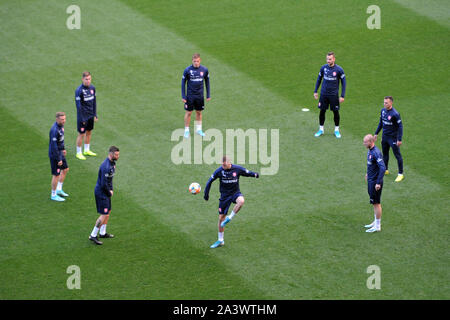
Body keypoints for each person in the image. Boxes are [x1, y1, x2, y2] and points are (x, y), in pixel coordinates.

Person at [204, 156, 259, 248]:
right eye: (222, 164)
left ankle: (230, 217)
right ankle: (220, 240)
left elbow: (247, 173)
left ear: (230, 163)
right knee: (221, 218)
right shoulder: (219, 171)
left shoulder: (237, 169)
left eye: (224, 165)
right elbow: (210, 181)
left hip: (235, 193)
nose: (223, 166)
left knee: (241, 201)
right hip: (224, 196)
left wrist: (255, 175)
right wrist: (206, 194)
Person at [89, 146, 120, 245]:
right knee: (104, 214)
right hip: (101, 192)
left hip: (106, 191)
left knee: (108, 211)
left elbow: (109, 180)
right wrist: (109, 192)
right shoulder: (106, 166)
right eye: (116, 154)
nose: (118, 156)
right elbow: (103, 184)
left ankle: (102, 232)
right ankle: (93, 235)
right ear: (111, 154)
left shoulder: (112, 163)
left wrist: (111, 189)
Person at [313, 52, 346, 138]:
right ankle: (321, 129)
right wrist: (315, 91)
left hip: (333, 95)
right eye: (327, 59)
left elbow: (344, 83)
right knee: (322, 111)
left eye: (330, 59)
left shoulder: (339, 70)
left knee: (335, 112)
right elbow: (319, 79)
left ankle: (336, 130)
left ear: (334, 59)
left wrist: (342, 95)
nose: (328, 61)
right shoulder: (323, 68)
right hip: (323, 94)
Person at [374, 96, 404, 182]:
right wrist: (376, 133)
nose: (384, 104)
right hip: (385, 137)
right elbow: (381, 123)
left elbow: (400, 127)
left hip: (393, 138)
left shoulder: (395, 114)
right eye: (384, 102)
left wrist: (399, 139)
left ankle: (400, 174)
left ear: (391, 103)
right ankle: (385, 170)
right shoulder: (383, 111)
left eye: (386, 103)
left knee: (397, 155)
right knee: (385, 153)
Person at [181, 53, 210, 138]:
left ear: (200, 60)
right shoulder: (187, 70)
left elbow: (207, 82)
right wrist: (183, 96)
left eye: (197, 61)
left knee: (199, 112)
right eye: (194, 61)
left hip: (200, 96)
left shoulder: (204, 70)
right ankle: (186, 130)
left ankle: (199, 129)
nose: (196, 63)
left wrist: (208, 95)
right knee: (189, 112)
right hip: (190, 96)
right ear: (192, 61)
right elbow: (183, 83)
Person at [363, 134, 386, 233]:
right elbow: (373, 166)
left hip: (375, 182)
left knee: (376, 203)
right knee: (374, 203)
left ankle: (378, 225)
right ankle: (375, 222)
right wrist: (368, 173)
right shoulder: (370, 151)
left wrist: (378, 182)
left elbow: (382, 168)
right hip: (371, 180)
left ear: (371, 142)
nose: (364, 144)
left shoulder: (376, 153)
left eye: (365, 142)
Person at [75, 71, 98, 160]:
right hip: (82, 117)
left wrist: (95, 114)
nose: (88, 81)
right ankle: (78, 152)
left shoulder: (92, 88)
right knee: (81, 134)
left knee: (89, 132)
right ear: (82, 79)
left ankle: (87, 150)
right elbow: (78, 106)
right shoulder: (79, 90)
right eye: (86, 79)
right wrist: (82, 118)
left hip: (90, 116)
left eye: (89, 79)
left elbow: (94, 102)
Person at [48, 112, 69, 201]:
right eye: (62, 119)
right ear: (57, 119)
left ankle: (59, 189)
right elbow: (54, 146)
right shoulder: (54, 130)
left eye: (64, 119)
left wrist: (63, 149)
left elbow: (61, 140)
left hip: (60, 152)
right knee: (56, 174)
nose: (64, 121)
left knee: (65, 169)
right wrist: (58, 159)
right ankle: (53, 194)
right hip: (55, 154)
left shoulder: (61, 126)